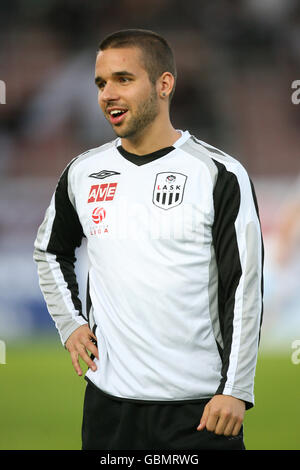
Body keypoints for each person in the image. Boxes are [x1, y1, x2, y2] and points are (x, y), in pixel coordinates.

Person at [33, 29, 264, 451]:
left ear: (164, 84)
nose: (108, 94)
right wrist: (70, 323)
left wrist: (236, 388)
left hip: (198, 410)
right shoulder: (83, 172)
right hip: (109, 410)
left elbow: (243, 286)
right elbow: (50, 250)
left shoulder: (218, 174)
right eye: (101, 83)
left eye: (123, 79)